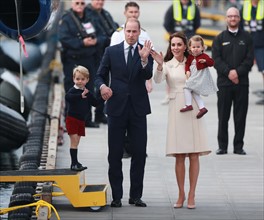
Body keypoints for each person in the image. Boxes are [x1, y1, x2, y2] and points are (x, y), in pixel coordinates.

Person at [95, 18, 153, 208]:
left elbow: (147, 75)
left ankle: (135, 196)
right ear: (123, 32)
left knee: (139, 153)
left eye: (134, 32)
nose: (131, 35)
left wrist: (144, 59)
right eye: (128, 31)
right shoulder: (111, 51)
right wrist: (103, 86)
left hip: (138, 109)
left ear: (139, 32)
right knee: (114, 154)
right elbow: (99, 76)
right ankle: (116, 196)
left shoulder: (145, 51)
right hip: (116, 108)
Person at [151, 32, 211, 209]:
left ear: (186, 46)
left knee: (193, 153)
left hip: (192, 105)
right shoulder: (168, 64)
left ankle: (192, 194)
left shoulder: (193, 62)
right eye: (173, 45)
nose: (175, 47)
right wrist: (160, 65)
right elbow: (158, 80)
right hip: (176, 107)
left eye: (179, 44)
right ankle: (181, 193)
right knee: (179, 155)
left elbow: (205, 78)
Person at [110, 1, 153, 158]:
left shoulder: (145, 34)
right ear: (125, 13)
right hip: (121, 84)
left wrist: (149, 80)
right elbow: (112, 60)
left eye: (136, 12)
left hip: (137, 82)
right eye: (131, 12)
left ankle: (135, 148)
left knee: (136, 117)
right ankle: (122, 147)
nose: (133, 14)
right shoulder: (117, 34)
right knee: (121, 117)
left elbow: (150, 61)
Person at [58, 0, 107, 128]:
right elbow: (64, 38)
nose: (79, 6)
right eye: (77, 3)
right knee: (72, 89)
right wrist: (82, 43)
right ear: (73, 4)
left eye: (82, 3)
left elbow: (103, 35)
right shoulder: (67, 19)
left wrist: (95, 41)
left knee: (89, 89)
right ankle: (70, 118)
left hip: (89, 59)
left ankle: (86, 119)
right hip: (73, 60)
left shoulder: (91, 18)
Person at [212, 7, 254, 155]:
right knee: (223, 116)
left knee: (240, 116)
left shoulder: (247, 38)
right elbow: (216, 60)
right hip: (224, 84)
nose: (232, 19)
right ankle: (222, 146)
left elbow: (249, 60)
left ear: (239, 18)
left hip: (242, 83)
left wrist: (237, 72)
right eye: (230, 16)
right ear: (226, 19)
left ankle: (238, 146)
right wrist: (229, 72)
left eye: (235, 16)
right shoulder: (219, 38)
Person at [85, 0, 119, 124]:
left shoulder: (105, 13)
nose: (99, 2)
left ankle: (99, 113)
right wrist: (107, 39)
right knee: (94, 84)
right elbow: (92, 35)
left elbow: (115, 28)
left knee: (104, 82)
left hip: (106, 53)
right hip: (95, 54)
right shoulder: (87, 15)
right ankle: (88, 117)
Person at [162, 0, 201, 105]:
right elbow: (166, 23)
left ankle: (191, 92)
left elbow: (197, 23)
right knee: (171, 66)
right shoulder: (173, 7)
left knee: (190, 66)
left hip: (189, 40)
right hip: (176, 40)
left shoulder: (194, 7)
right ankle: (168, 94)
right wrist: (173, 35)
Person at [65, 65, 98, 171]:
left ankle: (76, 162)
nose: (79, 81)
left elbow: (95, 103)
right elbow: (68, 97)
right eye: (77, 79)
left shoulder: (87, 92)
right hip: (72, 119)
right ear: (73, 79)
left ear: (87, 80)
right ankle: (73, 164)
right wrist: (80, 96)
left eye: (82, 79)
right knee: (73, 142)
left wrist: (104, 97)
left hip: (81, 120)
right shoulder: (73, 91)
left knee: (77, 142)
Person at [180, 35, 218, 119]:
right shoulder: (190, 57)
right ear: (190, 48)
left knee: (186, 88)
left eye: (198, 47)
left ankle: (188, 105)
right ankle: (202, 108)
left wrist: (205, 61)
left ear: (202, 48)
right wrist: (187, 71)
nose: (196, 49)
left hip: (200, 77)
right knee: (194, 92)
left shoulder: (204, 56)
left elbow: (212, 63)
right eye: (193, 47)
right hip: (193, 76)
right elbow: (187, 65)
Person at [240, 0, 264, 105]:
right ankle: (239, 96)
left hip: (261, 44)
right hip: (246, 44)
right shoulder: (244, 7)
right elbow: (239, 25)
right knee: (242, 70)